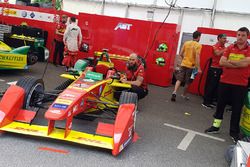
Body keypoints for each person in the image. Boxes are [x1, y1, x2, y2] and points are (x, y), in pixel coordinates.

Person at [204, 27, 250, 142]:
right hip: (225, 82)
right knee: (220, 106)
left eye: (243, 35)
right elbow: (221, 62)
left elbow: (246, 63)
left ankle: (234, 132)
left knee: (236, 109)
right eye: (238, 35)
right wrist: (239, 63)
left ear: (247, 36)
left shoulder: (249, 49)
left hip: (240, 85)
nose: (240, 37)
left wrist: (230, 62)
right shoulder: (229, 47)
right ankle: (215, 126)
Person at [171, 31, 202, 102]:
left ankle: (174, 92)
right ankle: (184, 95)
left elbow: (181, 53)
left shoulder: (186, 43)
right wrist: (198, 67)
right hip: (192, 66)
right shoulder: (198, 45)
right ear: (198, 37)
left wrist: (184, 60)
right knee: (188, 82)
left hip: (184, 64)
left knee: (179, 79)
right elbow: (197, 56)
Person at [202, 34, 227, 109]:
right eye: (223, 38)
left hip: (220, 69)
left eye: (225, 38)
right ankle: (205, 102)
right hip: (214, 69)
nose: (225, 40)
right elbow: (217, 53)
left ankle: (210, 101)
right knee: (211, 86)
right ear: (219, 39)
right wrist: (227, 49)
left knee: (216, 87)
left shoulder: (224, 47)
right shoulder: (215, 46)